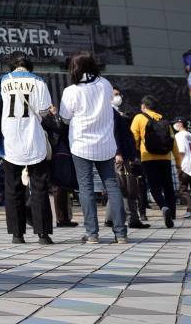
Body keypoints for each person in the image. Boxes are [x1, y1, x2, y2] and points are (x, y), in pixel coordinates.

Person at [58, 50, 127, 244]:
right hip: (105, 144)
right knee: (112, 185)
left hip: (81, 144)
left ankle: (92, 234)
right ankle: (121, 233)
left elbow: (64, 117)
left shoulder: (71, 91)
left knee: (86, 187)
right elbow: (111, 103)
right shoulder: (105, 84)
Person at [0, 55, 54, 245]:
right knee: (39, 187)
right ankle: (43, 234)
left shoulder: (3, 81)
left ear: (12, 66)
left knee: (13, 188)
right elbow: (44, 111)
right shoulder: (39, 81)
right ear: (29, 66)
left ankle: (17, 234)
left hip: (10, 141)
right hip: (34, 139)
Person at [130, 95, 181, 228]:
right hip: (165, 158)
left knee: (154, 187)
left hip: (148, 157)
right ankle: (172, 214)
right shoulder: (163, 119)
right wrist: (179, 162)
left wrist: (131, 156)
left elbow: (133, 138)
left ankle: (164, 207)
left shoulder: (139, 118)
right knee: (168, 186)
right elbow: (173, 142)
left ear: (144, 106)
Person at [109, 99, 149, 229]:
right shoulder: (112, 113)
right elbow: (115, 134)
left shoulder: (114, 112)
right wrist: (118, 152)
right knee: (126, 185)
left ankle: (110, 218)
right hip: (120, 156)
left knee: (120, 185)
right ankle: (132, 218)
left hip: (121, 154)